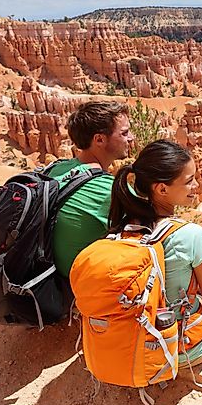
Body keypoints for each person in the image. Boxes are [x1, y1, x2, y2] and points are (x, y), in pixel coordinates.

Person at [108, 139, 202, 366]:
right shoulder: (190, 234)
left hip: (136, 341)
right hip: (178, 346)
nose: (197, 186)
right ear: (161, 189)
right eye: (189, 181)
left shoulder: (124, 228)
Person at [47, 100, 133, 277]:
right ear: (99, 139)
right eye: (124, 133)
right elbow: (153, 232)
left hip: (47, 277)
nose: (131, 138)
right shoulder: (109, 190)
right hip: (79, 291)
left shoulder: (56, 168)